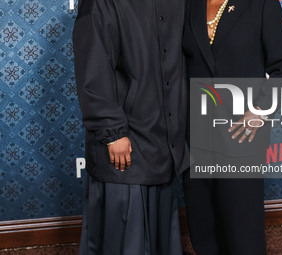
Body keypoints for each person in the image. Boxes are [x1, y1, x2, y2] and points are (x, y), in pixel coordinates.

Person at [72, 0, 189, 254]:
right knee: (126, 235)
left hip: (165, 137)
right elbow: (94, 71)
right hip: (126, 139)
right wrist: (112, 132)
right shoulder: (100, 2)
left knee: (161, 231)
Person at [182, 0, 282, 254]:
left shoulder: (260, 3)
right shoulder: (188, 4)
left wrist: (260, 110)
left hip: (241, 135)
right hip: (194, 135)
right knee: (203, 228)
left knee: (243, 231)